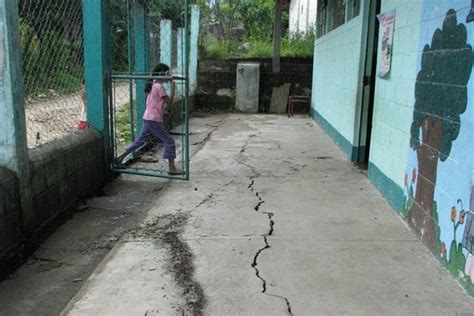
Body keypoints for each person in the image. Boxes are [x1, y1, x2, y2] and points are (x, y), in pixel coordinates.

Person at [116, 63, 182, 175]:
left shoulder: (153, 85)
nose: (169, 75)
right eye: (168, 73)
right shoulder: (160, 87)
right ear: (163, 74)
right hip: (154, 119)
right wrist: (173, 88)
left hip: (148, 117)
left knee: (140, 141)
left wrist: (162, 112)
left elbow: (154, 104)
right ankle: (172, 168)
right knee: (169, 141)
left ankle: (119, 158)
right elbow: (170, 103)